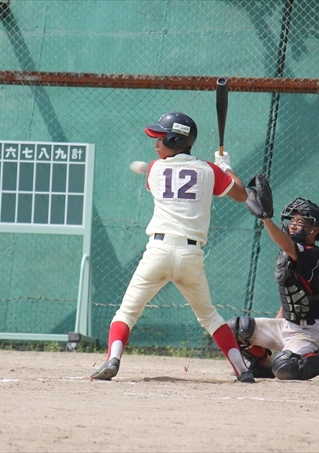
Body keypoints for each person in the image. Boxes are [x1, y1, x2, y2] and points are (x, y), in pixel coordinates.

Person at [91, 111, 256, 383]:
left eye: (160, 138)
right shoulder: (209, 170)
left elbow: (169, 175)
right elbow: (242, 194)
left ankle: (113, 359)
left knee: (127, 312)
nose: (156, 143)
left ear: (175, 140)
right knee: (210, 317)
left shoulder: (154, 169)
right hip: (191, 256)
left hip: (157, 252)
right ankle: (242, 370)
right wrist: (225, 167)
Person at [226, 197, 319, 381]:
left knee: (286, 367)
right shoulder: (290, 254)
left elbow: (286, 244)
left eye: (300, 222)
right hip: (288, 326)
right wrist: (278, 321)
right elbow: (294, 294)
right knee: (235, 329)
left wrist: (265, 219)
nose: (293, 225)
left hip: (311, 332)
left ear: (315, 229)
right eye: (293, 220)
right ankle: (262, 365)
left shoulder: (311, 254)